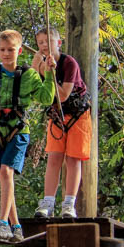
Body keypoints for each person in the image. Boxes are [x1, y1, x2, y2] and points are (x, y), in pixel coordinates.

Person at [0, 30, 56, 241]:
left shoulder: (29, 75)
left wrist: (50, 74)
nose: (6, 54)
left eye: (11, 50)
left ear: (20, 50)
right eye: (3, 50)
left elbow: (45, 98)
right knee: (5, 178)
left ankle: (3, 222)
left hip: (18, 131)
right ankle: (16, 227)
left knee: (6, 172)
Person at [31, 27, 92, 218]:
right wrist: (37, 69)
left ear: (58, 43)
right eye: (40, 42)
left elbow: (63, 95)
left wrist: (45, 71)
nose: (44, 46)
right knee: (54, 157)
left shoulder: (68, 63)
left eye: (48, 41)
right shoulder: (38, 62)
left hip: (77, 114)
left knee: (73, 159)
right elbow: (35, 90)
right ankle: (48, 202)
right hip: (57, 115)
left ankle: (69, 204)